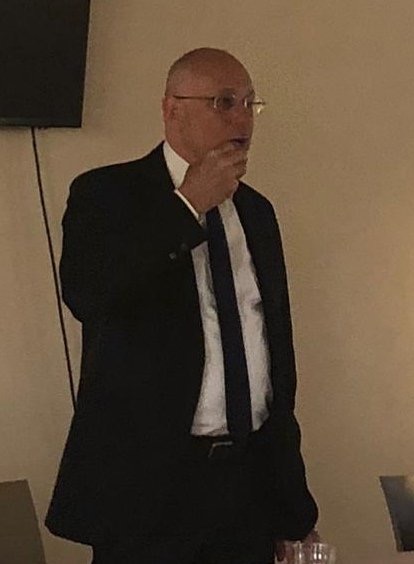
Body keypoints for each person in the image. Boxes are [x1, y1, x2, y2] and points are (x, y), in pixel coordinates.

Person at [46, 48, 318, 564]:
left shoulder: (256, 212)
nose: (241, 118)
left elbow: (273, 361)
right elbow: (88, 292)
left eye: (249, 103)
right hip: (149, 491)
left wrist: (291, 506)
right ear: (172, 108)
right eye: (224, 102)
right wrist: (187, 205)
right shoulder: (106, 193)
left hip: (247, 486)